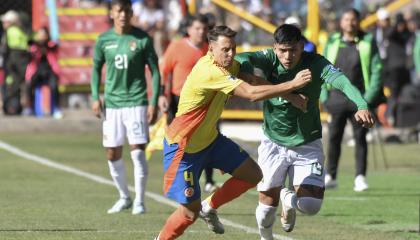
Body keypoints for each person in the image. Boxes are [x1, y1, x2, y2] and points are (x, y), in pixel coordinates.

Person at [155, 25, 312, 240]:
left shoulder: (229, 66)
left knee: (253, 175)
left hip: (210, 141)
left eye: (233, 49)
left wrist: (291, 97)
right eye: (225, 50)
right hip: (183, 149)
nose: (230, 54)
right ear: (211, 49)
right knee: (189, 214)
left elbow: (253, 81)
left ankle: (209, 206)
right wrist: (291, 85)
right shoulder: (209, 71)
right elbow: (251, 93)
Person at [235, 23, 375, 238]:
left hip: (307, 141)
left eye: (293, 49)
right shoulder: (267, 58)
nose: (288, 55)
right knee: (266, 211)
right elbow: (241, 60)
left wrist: (362, 104)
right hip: (274, 141)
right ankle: (266, 236)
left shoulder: (315, 63)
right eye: (282, 50)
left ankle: (288, 198)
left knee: (310, 205)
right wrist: (283, 88)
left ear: (302, 46)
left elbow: (343, 82)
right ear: (275, 48)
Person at [90, 0, 160, 215]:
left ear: (132, 13)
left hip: (137, 102)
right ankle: (124, 197)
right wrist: (95, 96)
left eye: (127, 11)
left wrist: (153, 101)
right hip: (112, 104)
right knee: (112, 153)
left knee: (138, 153)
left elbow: (155, 72)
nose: (123, 15)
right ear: (112, 13)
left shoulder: (142, 39)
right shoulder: (103, 40)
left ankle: (139, 201)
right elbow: (95, 70)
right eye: (119, 11)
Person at [321, 8, 384, 192]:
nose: (350, 23)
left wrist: (368, 98)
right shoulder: (332, 41)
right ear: (342, 23)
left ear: (358, 22)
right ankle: (331, 176)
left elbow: (376, 70)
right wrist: (325, 96)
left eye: (353, 19)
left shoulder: (367, 42)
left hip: (359, 98)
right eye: (346, 19)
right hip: (335, 98)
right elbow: (322, 67)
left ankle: (360, 177)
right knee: (333, 138)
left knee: (360, 138)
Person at [159, 14, 219, 193]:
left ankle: (208, 180)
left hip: (204, 103)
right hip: (179, 102)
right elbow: (165, 71)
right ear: (189, 29)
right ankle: (177, 179)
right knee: (178, 143)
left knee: (209, 138)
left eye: (204, 29)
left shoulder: (210, 50)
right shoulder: (177, 46)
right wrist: (163, 95)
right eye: (197, 28)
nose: (201, 32)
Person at [24, 27, 61, 118]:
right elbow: (30, 55)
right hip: (38, 72)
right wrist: (34, 49)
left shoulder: (51, 45)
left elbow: (54, 47)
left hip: (49, 72)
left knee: (54, 86)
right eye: (40, 34)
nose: (41, 36)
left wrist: (44, 46)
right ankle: (30, 108)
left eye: (43, 34)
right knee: (29, 85)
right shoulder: (34, 46)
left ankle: (56, 109)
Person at [0, 10, 30, 115]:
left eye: (5, 22)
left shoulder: (10, 31)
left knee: (10, 86)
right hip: (22, 62)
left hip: (13, 63)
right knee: (20, 85)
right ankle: (21, 108)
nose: (3, 24)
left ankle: (10, 108)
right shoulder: (22, 31)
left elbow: (5, 50)